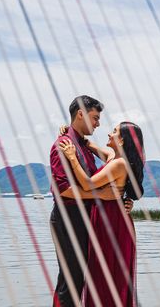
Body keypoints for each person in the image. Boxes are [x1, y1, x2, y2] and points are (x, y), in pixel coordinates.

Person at [49, 95, 133, 307]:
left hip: (86, 218)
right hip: (69, 219)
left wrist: (123, 200)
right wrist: (100, 196)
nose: (97, 123)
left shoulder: (83, 145)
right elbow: (62, 190)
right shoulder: (63, 145)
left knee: (83, 277)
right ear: (80, 114)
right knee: (71, 279)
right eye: (95, 118)